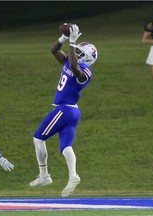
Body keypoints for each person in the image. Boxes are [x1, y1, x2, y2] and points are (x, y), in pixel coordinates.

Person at [29, 24, 98, 197]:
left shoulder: (86, 71)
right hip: (71, 111)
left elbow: (76, 68)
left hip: (65, 109)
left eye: (83, 53)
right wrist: (64, 39)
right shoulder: (70, 60)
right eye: (78, 51)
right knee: (66, 146)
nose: (78, 53)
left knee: (38, 138)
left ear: (89, 59)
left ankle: (44, 176)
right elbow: (54, 50)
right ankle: (73, 175)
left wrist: (73, 43)